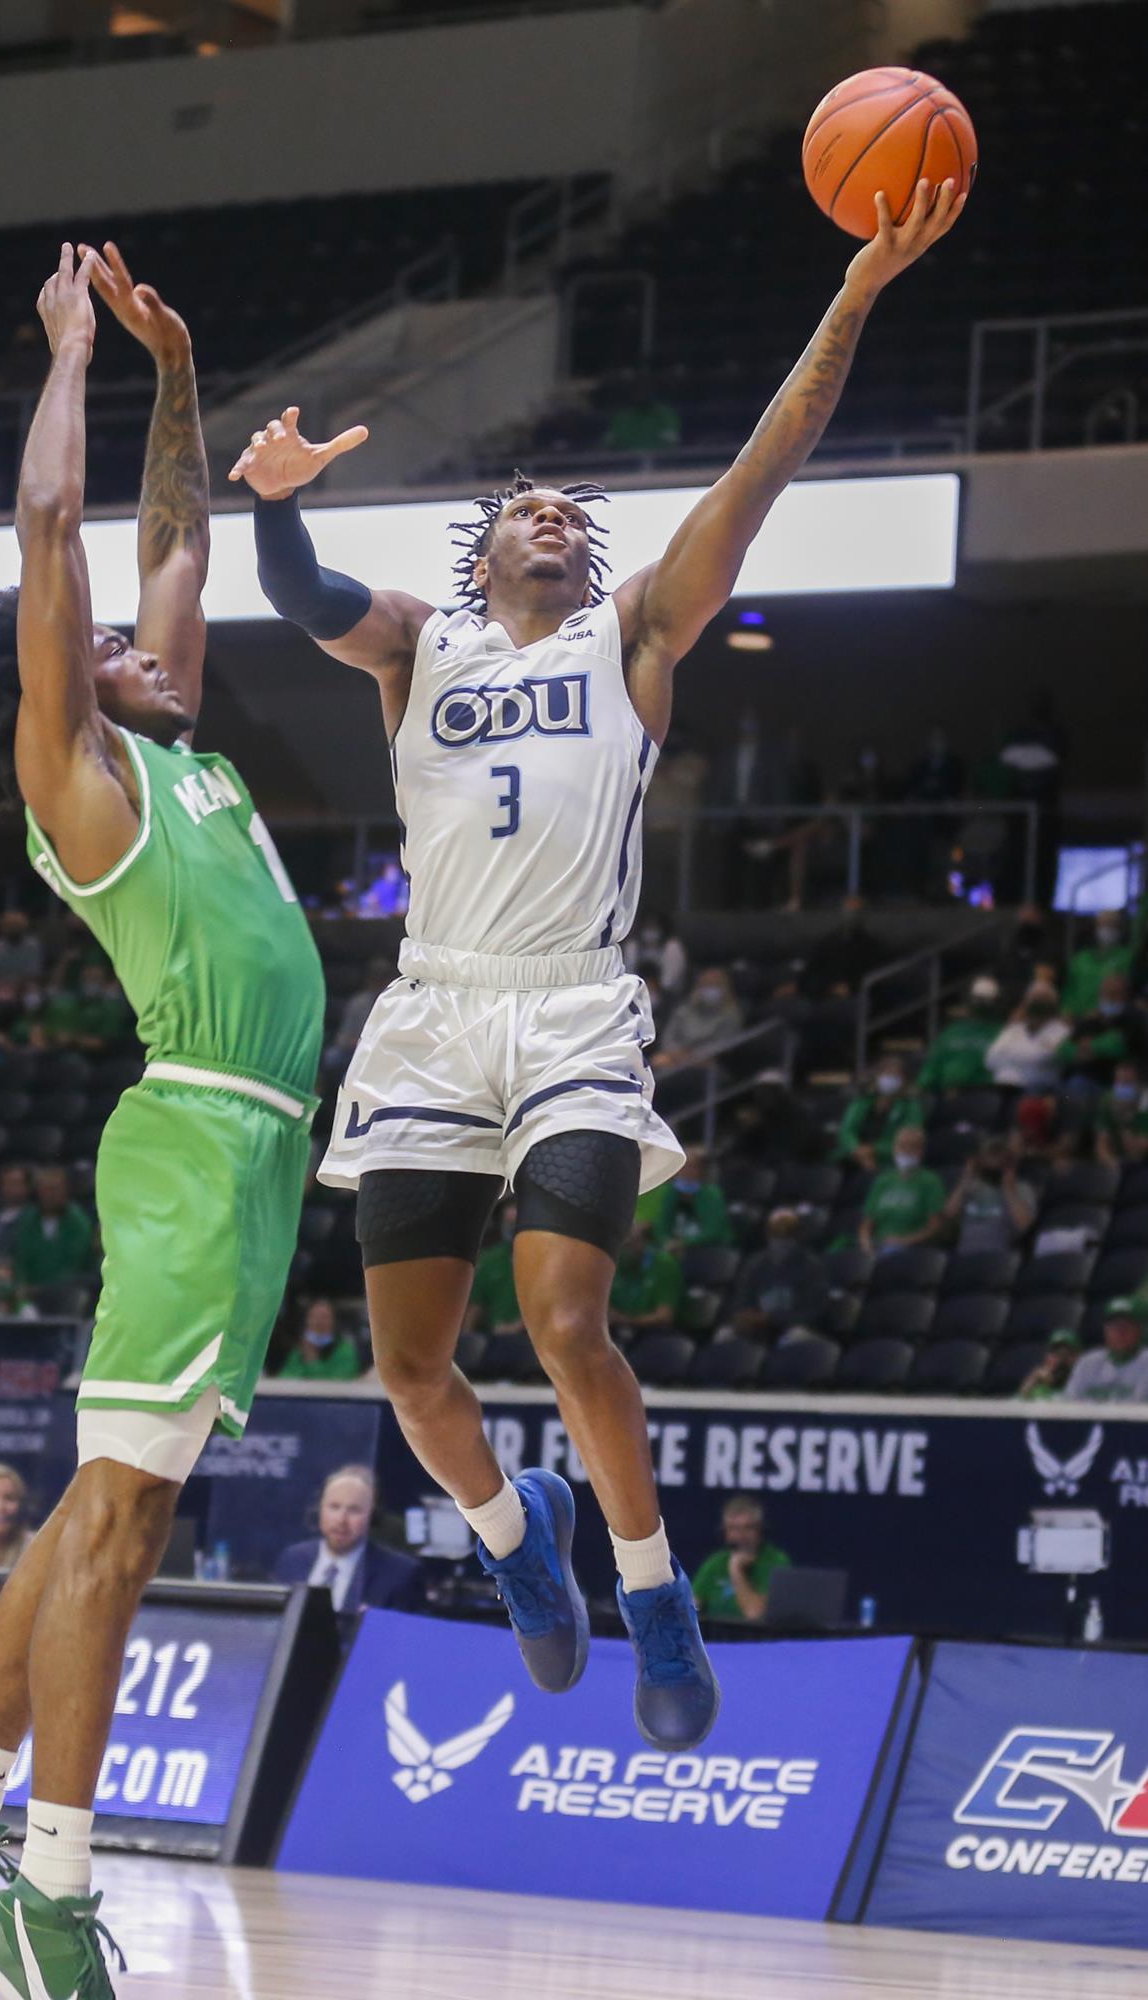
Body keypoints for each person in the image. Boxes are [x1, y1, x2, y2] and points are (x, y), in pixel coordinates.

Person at [233, 169, 961, 1754]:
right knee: (409, 1371)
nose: (554, 523)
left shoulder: (629, 638)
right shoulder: (416, 643)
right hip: (431, 1013)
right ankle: (518, 1549)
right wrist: (276, 499)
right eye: (527, 515)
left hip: (569, 1004)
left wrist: (854, 293)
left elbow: (758, 477)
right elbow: (293, 597)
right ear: (482, 547)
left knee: (566, 1325)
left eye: (574, 516)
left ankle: (653, 1597)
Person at [0, 238, 325, 2000]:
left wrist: (177, 373)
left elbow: (173, 543)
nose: (144, 639)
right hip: (200, 1145)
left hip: (261, 1153)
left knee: (85, 1512)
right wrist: (63, 350)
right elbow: (58, 544)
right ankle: (47, 1897)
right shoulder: (88, 781)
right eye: (108, 650)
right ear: (49, 705)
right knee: (127, 1531)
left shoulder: (185, 742)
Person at [272, 1464, 424, 1612]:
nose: (341, 1520)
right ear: (319, 1509)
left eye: (354, 1510)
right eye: (334, 1507)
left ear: (373, 1516)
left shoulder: (399, 1573)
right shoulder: (292, 1559)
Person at [726, 1209, 828, 1342]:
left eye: (786, 1236)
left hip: (796, 1330)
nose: (780, 1242)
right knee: (725, 1335)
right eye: (775, 1235)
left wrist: (771, 1318)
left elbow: (813, 1314)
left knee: (795, 1337)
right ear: (768, 1236)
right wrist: (744, 1317)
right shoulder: (755, 1264)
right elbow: (743, 1301)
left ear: (797, 1236)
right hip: (760, 1330)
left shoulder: (812, 1267)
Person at [690, 1495, 791, 1624]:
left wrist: (736, 1570)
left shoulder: (776, 1561)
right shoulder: (715, 1563)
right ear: (725, 1533)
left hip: (757, 1639)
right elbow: (690, 1609)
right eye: (733, 1529)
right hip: (716, 1638)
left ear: (760, 1530)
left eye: (748, 1528)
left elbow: (755, 1614)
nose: (741, 1536)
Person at [858, 1126, 945, 1255]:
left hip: (909, 1248)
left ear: (921, 1151)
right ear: (894, 1148)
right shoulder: (883, 1181)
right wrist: (866, 1245)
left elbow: (935, 1227)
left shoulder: (930, 1181)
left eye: (912, 1147)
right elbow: (867, 1224)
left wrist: (904, 1241)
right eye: (901, 1146)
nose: (906, 1151)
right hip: (878, 1244)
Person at [942, 1138, 1038, 1255]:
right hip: (964, 1255)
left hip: (998, 1258)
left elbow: (1025, 1226)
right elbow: (948, 1213)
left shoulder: (1022, 1189)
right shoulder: (971, 1186)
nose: (993, 1166)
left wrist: (1009, 1191)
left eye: (998, 1162)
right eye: (989, 1160)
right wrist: (966, 1179)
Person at [1057, 973, 1148, 1095]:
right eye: (1105, 993)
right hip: (1090, 1078)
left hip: (1124, 1082)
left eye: (1115, 993)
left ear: (1126, 996)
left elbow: (1119, 1044)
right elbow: (1064, 1049)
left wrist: (1090, 1045)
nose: (1109, 997)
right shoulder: (1091, 1019)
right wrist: (1080, 1052)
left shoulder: (1135, 1018)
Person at [9, 1166, 96, 1291]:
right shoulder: (27, 1221)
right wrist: (22, 1286)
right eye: (46, 1189)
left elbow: (74, 1265)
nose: (50, 1194)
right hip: (28, 1292)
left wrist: (43, 1289)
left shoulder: (78, 1222)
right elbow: (21, 1260)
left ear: (65, 1191)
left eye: (55, 1189)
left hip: (68, 1292)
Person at [834, 1054, 925, 1170]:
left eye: (896, 1075)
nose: (891, 1079)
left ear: (904, 1080)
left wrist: (873, 1149)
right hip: (853, 1157)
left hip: (888, 1161)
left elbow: (911, 1139)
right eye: (887, 1074)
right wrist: (857, 1149)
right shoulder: (863, 1100)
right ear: (877, 1077)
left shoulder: (911, 1106)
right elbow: (846, 1131)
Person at [638, 1143, 733, 1252]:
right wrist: (667, 1242)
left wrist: (684, 1243)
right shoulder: (669, 1193)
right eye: (683, 1167)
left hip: (710, 1251)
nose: (686, 1172)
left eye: (692, 1167)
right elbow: (662, 1226)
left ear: (702, 1171)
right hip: (674, 1249)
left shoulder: (712, 1195)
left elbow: (713, 1231)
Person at [917, 976, 1002, 1094]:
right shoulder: (952, 1031)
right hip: (945, 1094)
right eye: (978, 999)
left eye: (986, 1000)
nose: (981, 1004)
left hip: (983, 1094)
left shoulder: (999, 1033)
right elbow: (933, 1062)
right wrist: (923, 1084)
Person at [652, 967, 744, 1072]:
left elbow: (722, 1047)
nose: (710, 988)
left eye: (715, 985)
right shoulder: (685, 1009)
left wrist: (690, 1056)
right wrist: (676, 1054)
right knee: (656, 1062)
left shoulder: (731, 1015)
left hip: (707, 1063)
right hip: (676, 1056)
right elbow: (669, 1037)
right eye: (706, 984)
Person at [608, 1221, 685, 1339]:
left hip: (655, 1335)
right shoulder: (615, 1264)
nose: (624, 1252)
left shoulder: (664, 1265)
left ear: (642, 1241)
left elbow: (664, 1317)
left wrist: (623, 1319)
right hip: (617, 1331)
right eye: (621, 1247)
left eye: (630, 1244)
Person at [986, 983, 1070, 1090]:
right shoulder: (1014, 1029)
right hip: (1000, 1088)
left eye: (1041, 998)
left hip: (1036, 1091)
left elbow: (1041, 1058)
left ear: (1052, 1004)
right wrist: (1023, 1055)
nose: (1036, 1001)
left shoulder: (1061, 1031)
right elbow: (990, 1059)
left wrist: (1010, 1055)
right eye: (1033, 998)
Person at [1064, 1299, 1148, 1404]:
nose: (1120, 1332)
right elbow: (1070, 1401)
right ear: (1105, 1329)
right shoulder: (1088, 1362)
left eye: (1126, 1326)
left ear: (1140, 1330)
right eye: (1114, 1326)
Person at [465, 1199, 526, 1337]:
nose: (512, 1214)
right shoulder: (490, 1259)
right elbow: (475, 1307)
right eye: (508, 1224)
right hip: (495, 1341)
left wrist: (517, 1326)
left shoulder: (550, 1260)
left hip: (534, 1342)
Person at [1062, 908, 1138, 1019]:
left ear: (1119, 929)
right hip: (1074, 1018)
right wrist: (1066, 1010)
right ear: (1096, 928)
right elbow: (1069, 989)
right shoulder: (1081, 958)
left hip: (1108, 1018)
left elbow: (1126, 991)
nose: (1107, 929)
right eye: (1103, 924)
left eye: (1112, 925)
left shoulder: (1127, 958)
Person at [278, 1297, 363, 1381]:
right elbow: (285, 1378)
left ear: (334, 1321)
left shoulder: (344, 1350)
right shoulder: (298, 1351)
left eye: (324, 1317)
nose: (318, 1322)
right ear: (306, 1321)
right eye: (314, 1317)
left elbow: (339, 1381)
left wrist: (312, 1362)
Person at [0, 909, 44, 999]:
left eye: (17, 926)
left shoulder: (32, 946)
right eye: (10, 926)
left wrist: (16, 987)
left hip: (23, 987)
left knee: (33, 994)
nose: (14, 929)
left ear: (24, 927)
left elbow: (33, 975)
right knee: (3, 997)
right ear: (2, 928)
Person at [1096, 1062, 1148, 1167]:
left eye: (1128, 1083)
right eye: (1119, 1082)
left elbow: (1142, 1146)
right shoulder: (1108, 1099)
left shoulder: (1145, 1100)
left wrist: (1126, 1129)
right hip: (1118, 1161)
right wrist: (1109, 1163)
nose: (1122, 1087)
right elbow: (1101, 1141)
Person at [0, 1163, 33, 1264]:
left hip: (7, 1269)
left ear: (27, 1187)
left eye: (14, 1183)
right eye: (5, 1183)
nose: (8, 1188)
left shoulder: (32, 1217)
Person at [1018, 1328, 1082, 1402]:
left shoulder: (1085, 1386)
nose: (1061, 1359)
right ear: (1046, 1357)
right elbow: (1017, 1403)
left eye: (1068, 1354)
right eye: (1056, 1353)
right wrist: (1033, 1379)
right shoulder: (1036, 1389)